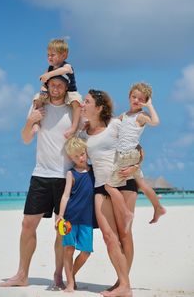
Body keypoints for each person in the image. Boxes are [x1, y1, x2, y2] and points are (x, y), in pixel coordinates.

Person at [0, 75, 74, 289]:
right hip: (41, 174)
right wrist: (30, 120)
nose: (56, 88)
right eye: (52, 85)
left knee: (62, 228)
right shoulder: (39, 108)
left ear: (66, 87)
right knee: (27, 224)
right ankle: (22, 274)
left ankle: (58, 275)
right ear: (47, 87)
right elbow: (25, 138)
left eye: (60, 85)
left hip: (66, 177)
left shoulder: (73, 111)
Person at [80, 89, 140, 297]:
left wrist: (134, 167)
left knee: (124, 235)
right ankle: (124, 284)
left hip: (124, 182)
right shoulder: (82, 133)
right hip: (100, 186)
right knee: (108, 236)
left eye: (86, 102)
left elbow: (138, 149)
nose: (82, 105)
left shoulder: (115, 125)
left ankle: (123, 284)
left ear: (99, 107)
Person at [105, 82, 166, 225]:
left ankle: (126, 213)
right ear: (129, 97)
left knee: (109, 186)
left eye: (141, 99)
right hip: (131, 154)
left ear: (145, 101)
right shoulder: (125, 115)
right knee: (142, 184)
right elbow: (112, 123)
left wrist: (150, 105)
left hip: (127, 156)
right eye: (134, 97)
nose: (136, 100)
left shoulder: (141, 115)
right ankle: (158, 207)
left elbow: (155, 122)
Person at [55, 137, 95, 292]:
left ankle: (71, 275)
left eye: (83, 154)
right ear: (71, 158)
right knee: (69, 249)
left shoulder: (94, 171)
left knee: (86, 252)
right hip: (70, 218)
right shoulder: (71, 174)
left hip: (87, 219)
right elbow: (65, 196)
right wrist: (60, 215)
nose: (81, 158)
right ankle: (70, 283)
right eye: (77, 156)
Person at [33, 39, 82, 139]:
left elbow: (66, 70)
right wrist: (43, 90)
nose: (49, 57)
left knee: (76, 101)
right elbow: (45, 83)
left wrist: (49, 74)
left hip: (69, 92)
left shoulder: (66, 66)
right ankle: (37, 122)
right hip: (54, 92)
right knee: (38, 98)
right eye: (48, 55)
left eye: (52, 55)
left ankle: (74, 127)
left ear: (64, 56)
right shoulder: (49, 68)